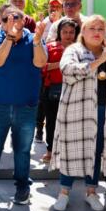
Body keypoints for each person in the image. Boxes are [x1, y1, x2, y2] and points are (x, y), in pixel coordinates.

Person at [50, 16, 106, 211]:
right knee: (72, 150)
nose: (97, 32)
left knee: (96, 151)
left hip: (105, 109)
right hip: (76, 110)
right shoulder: (74, 50)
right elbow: (68, 71)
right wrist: (98, 62)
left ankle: (91, 192)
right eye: (92, 28)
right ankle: (63, 193)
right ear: (83, 32)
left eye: (101, 29)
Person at [0, 5, 48, 204]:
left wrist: (37, 41)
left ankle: (23, 187)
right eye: (8, 18)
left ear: (24, 20)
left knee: (23, 150)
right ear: (1, 19)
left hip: (26, 106)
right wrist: (9, 37)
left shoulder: (33, 37)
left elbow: (41, 62)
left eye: (18, 17)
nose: (14, 21)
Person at [40, 18, 80, 163]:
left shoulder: (81, 48)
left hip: (75, 91)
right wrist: (62, 63)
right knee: (52, 122)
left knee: (73, 124)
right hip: (52, 91)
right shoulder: (50, 47)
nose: (68, 35)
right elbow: (42, 67)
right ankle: (50, 151)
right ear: (59, 32)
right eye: (65, 32)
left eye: (71, 32)